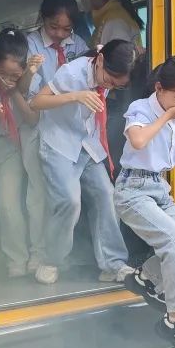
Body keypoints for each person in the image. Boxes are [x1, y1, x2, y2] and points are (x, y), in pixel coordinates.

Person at [114, 55, 175, 348]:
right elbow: (140, 141)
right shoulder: (140, 109)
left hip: (159, 187)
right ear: (159, 88)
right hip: (132, 189)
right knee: (173, 240)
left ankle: (143, 277)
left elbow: (171, 145)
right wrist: (167, 116)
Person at [29, 39, 135, 285]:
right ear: (99, 62)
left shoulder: (106, 66)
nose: (109, 85)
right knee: (69, 201)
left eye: (115, 85)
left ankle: (113, 264)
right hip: (59, 143)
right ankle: (51, 260)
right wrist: (75, 96)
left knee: (106, 195)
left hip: (86, 144)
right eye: (108, 80)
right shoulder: (71, 73)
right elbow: (36, 103)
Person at [26, 0, 91, 271]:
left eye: (67, 28)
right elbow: (32, 96)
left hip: (71, 130)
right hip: (38, 124)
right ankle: (37, 253)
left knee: (66, 197)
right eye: (54, 27)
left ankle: (58, 254)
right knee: (38, 194)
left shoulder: (78, 43)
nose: (60, 34)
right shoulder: (30, 45)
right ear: (43, 18)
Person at [0, 29, 42, 278]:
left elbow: (32, 117)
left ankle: (17, 258)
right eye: (3, 74)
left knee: (9, 206)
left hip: (10, 148)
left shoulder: (25, 82)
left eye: (15, 75)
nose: (8, 79)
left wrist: (17, 88)